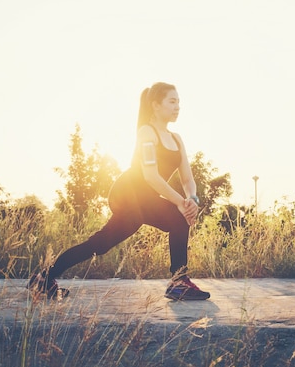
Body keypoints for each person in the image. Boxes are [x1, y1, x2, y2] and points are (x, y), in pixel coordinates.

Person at [28, 82, 210, 301]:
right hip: (128, 196)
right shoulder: (146, 133)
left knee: (99, 244)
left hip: (147, 200)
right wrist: (181, 203)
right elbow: (150, 175)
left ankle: (43, 279)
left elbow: (188, 178)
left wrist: (191, 199)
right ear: (155, 105)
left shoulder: (177, 139)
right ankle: (179, 282)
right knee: (176, 217)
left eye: (179, 101)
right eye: (172, 101)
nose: (177, 106)